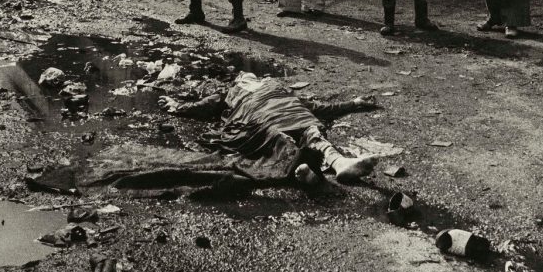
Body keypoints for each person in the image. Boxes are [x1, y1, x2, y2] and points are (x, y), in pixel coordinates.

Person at [159, 71, 379, 184]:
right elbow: (206, 105)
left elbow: (317, 107)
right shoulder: (233, 91)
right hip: (259, 113)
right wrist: (177, 105)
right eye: (242, 76)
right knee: (277, 135)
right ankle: (306, 172)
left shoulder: (275, 86)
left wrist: (354, 104)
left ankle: (340, 163)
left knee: (310, 130)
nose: (245, 75)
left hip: (288, 109)